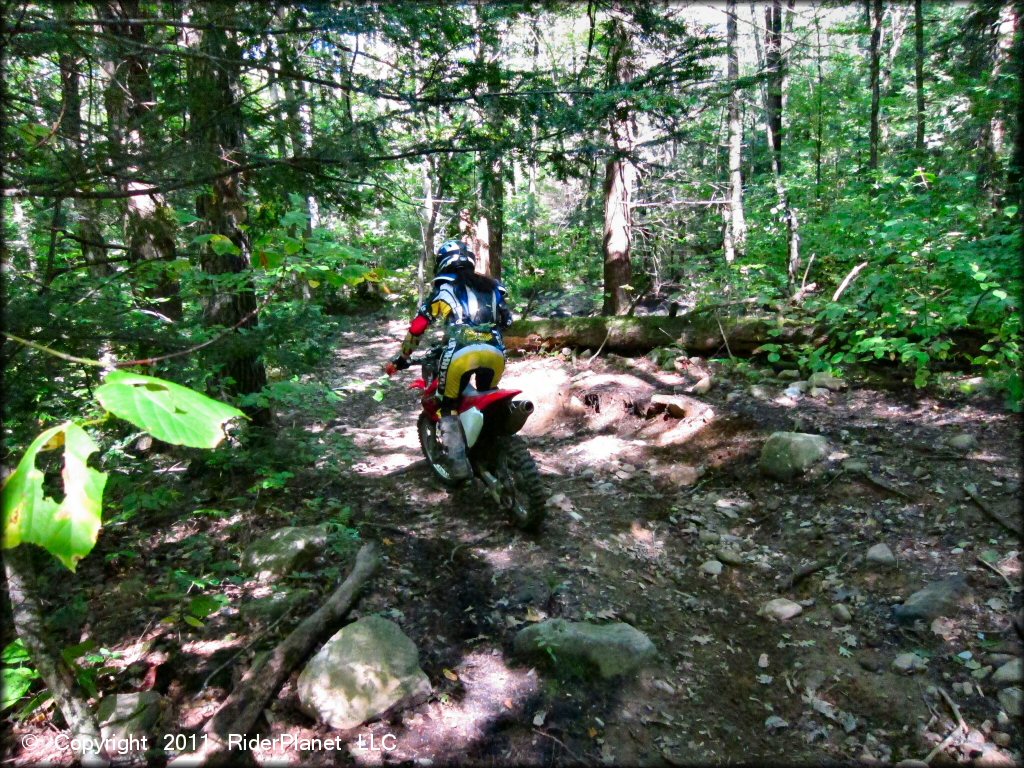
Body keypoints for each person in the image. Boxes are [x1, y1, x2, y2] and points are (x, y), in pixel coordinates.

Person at [385, 239, 513, 480]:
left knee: (448, 406)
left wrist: (403, 357)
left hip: (460, 355)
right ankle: (491, 451)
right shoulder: (493, 288)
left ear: (443, 263)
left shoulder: (443, 290)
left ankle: (458, 464)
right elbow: (506, 321)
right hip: (496, 354)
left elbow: (418, 327)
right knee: (486, 400)